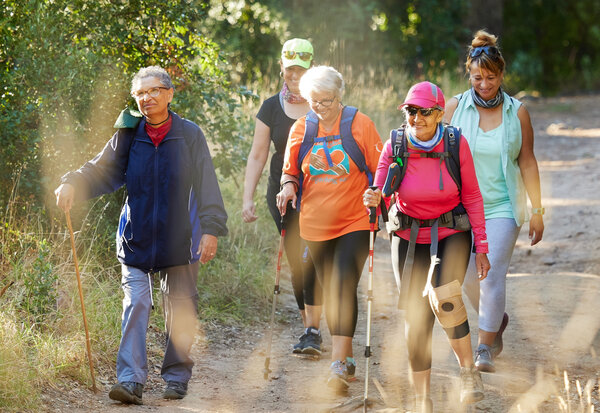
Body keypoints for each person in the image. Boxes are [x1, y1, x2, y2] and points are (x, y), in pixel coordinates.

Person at [55, 66, 228, 405]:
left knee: (179, 307)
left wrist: (211, 229)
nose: (146, 98)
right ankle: (131, 380)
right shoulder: (129, 134)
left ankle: (176, 377)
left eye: (153, 91)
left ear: (169, 94)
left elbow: (208, 184)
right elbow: (101, 168)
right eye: (140, 93)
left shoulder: (189, 135)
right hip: (136, 236)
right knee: (137, 302)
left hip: (181, 239)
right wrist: (71, 180)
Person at [364, 81, 490, 412]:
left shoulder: (454, 142)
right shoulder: (395, 144)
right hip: (407, 234)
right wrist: (373, 198)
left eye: (424, 112)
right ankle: (422, 397)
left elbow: (473, 195)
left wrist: (483, 246)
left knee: (446, 296)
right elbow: (380, 189)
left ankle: (467, 374)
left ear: (438, 114)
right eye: (410, 111)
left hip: (451, 230)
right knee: (416, 320)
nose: (416, 118)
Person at [276, 65, 382, 391]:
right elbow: (290, 171)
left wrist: (378, 193)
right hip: (314, 225)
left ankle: (336, 365)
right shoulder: (301, 129)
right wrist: (288, 187)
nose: (321, 108)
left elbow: (382, 170)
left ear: (340, 95)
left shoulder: (360, 124)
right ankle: (347, 358)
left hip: (355, 220)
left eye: (327, 100)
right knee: (333, 289)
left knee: (341, 285)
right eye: (314, 102)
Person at [444, 30, 544, 373]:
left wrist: (537, 210)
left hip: (503, 206)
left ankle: (484, 347)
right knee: (466, 277)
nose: (484, 84)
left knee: (491, 274)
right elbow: (434, 152)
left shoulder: (518, 113)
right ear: (468, 75)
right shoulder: (455, 108)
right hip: (460, 209)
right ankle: (495, 319)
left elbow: (527, 161)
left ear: (502, 76)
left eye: (490, 77)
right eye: (477, 77)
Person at [242, 38, 324, 355]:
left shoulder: (323, 104)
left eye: (301, 70)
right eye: (290, 69)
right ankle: (311, 330)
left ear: (310, 69)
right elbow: (257, 155)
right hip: (282, 196)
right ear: (282, 67)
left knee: (316, 258)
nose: (294, 75)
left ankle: (316, 324)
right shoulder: (270, 108)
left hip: (321, 195)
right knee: (299, 260)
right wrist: (247, 199)